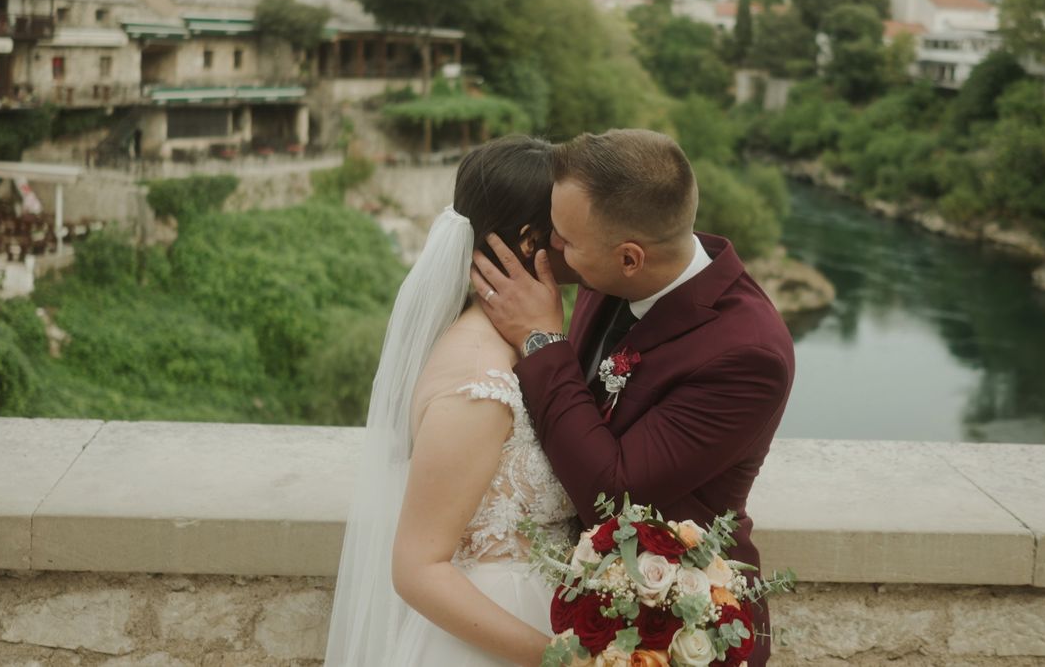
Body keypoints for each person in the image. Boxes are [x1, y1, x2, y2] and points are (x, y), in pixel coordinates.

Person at [471, 128, 795, 667]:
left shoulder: (748, 354)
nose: (552, 245)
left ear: (629, 260)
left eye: (565, 240)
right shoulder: (627, 254)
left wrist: (540, 340)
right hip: (585, 598)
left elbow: (612, 493)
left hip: (678, 624)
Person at [324, 135, 576, 667]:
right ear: (531, 240)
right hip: (489, 641)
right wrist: (560, 658)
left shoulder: (510, 346)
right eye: (567, 228)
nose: (579, 239)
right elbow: (418, 570)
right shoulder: (478, 385)